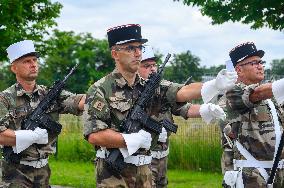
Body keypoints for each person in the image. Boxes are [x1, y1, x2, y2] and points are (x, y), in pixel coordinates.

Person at [83, 24, 237, 188]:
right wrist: (129, 139)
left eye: (139, 47)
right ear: (115, 54)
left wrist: (213, 85)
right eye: (130, 48)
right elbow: (94, 135)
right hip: (113, 176)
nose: (137, 53)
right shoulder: (100, 89)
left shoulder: (150, 86)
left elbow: (181, 91)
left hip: (145, 172)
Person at [0, 40, 85, 187]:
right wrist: (32, 136)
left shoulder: (49, 94)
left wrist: (100, 92)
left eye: (35, 60)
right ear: (14, 68)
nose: (33, 64)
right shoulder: (5, 98)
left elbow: (79, 102)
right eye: (27, 61)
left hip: (43, 172)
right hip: (14, 173)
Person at [139, 45, 226, 187]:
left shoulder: (162, 89)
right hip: (141, 161)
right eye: (146, 66)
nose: (153, 69)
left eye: (154, 65)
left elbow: (185, 107)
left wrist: (206, 109)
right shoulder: (130, 92)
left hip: (161, 159)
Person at [222, 42, 284, 188]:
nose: (260, 66)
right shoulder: (232, 93)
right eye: (254, 63)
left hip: (279, 171)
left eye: (261, 62)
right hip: (252, 175)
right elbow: (256, 94)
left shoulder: (272, 97)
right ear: (239, 70)